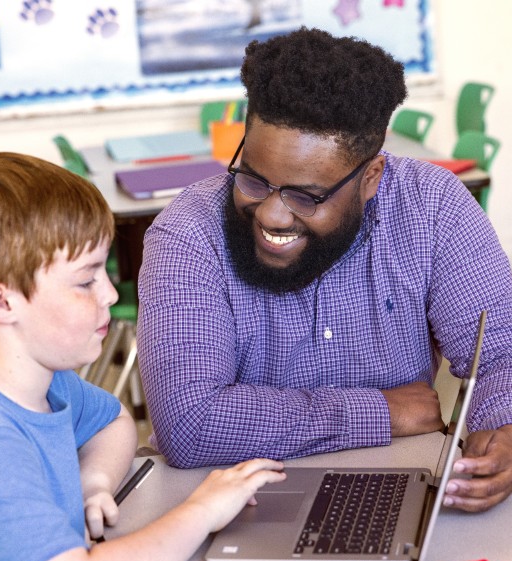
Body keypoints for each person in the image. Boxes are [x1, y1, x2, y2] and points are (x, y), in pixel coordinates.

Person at [137, 27, 512, 512]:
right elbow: (190, 423)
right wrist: (383, 411)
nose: (271, 214)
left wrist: (504, 431)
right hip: (222, 503)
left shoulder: (431, 207)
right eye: (252, 178)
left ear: (371, 178)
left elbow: (503, 351)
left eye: (306, 196)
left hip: (396, 486)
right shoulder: (189, 232)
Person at [0, 152, 286, 561]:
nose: (110, 294)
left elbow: (112, 421)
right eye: (86, 280)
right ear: (2, 302)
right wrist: (203, 510)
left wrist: (93, 484)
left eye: (105, 271)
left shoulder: (40, 380)